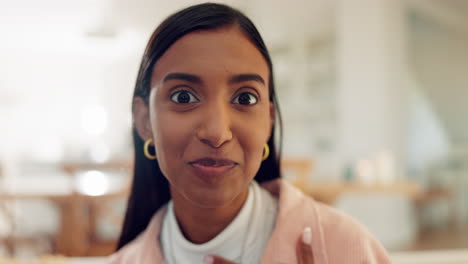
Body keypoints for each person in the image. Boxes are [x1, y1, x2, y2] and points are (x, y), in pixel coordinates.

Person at [108, 3, 390, 264]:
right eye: (183, 97)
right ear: (144, 121)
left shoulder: (343, 245)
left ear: (268, 121)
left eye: (245, 99)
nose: (217, 133)